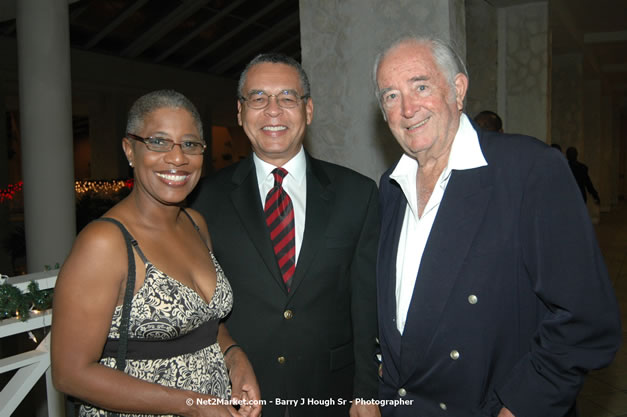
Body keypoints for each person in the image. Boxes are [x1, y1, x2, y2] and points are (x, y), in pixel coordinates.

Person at [373, 36, 621, 417]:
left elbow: (586, 320)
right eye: (390, 96)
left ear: (457, 90)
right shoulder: (390, 186)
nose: (407, 108)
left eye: (420, 86)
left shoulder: (529, 169)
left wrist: (518, 407)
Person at [51, 90, 261, 417]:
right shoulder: (105, 242)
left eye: (190, 144)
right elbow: (70, 374)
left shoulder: (195, 223)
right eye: (159, 142)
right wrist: (191, 404)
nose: (177, 158)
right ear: (129, 150)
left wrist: (234, 357)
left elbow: (207, 322)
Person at [191, 54, 380, 417]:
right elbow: (201, 307)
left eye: (287, 98)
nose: (273, 111)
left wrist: (367, 392)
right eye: (258, 98)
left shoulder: (357, 194)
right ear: (240, 112)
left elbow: (365, 303)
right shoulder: (204, 200)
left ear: (308, 110)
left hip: (332, 395)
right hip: (240, 398)